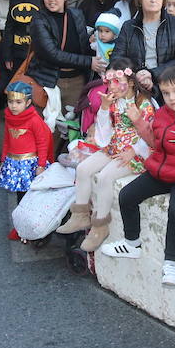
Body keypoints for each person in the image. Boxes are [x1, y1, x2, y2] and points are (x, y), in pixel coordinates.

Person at [99, 65, 175, 287]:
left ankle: (170, 263)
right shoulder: (163, 113)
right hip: (163, 170)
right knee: (127, 195)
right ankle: (132, 243)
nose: (172, 98)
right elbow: (154, 142)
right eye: (166, 93)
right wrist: (138, 121)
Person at [56, 60, 155, 250]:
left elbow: (151, 134)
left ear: (131, 81)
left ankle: (100, 226)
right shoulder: (113, 103)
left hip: (135, 152)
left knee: (105, 177)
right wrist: (103, 108)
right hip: (114, 146)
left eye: (117, 81)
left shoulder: (144, 104)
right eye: (109, 82)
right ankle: (81, 215)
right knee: (83, 169)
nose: (112, 87)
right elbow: (104, 134)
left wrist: (134, 151)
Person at [28, 0, 92, 123]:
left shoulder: (77, 15)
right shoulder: (39, 19)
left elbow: (84, 46)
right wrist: (90, 61)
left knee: (72, 129)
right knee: (49, 130)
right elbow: (52, 54)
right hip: (50, 83)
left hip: (77, 81)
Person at [115, 0, 175, 91]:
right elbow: (117, 58)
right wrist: (137, 76)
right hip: (134, 83)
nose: (153, 0)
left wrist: (152, 74)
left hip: (168, 84)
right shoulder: (128, 26)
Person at [0, 80, 53, 199]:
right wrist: (3, 160)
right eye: (10, 102)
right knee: (20, 195)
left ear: (27, 102)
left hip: (30, 164)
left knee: (32, 195)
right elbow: (7, 139)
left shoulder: (34, 120)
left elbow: (42, 143)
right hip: (14, 161)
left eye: (18, 102)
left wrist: (41, 165)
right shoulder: (9, 117)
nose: (13, 106)